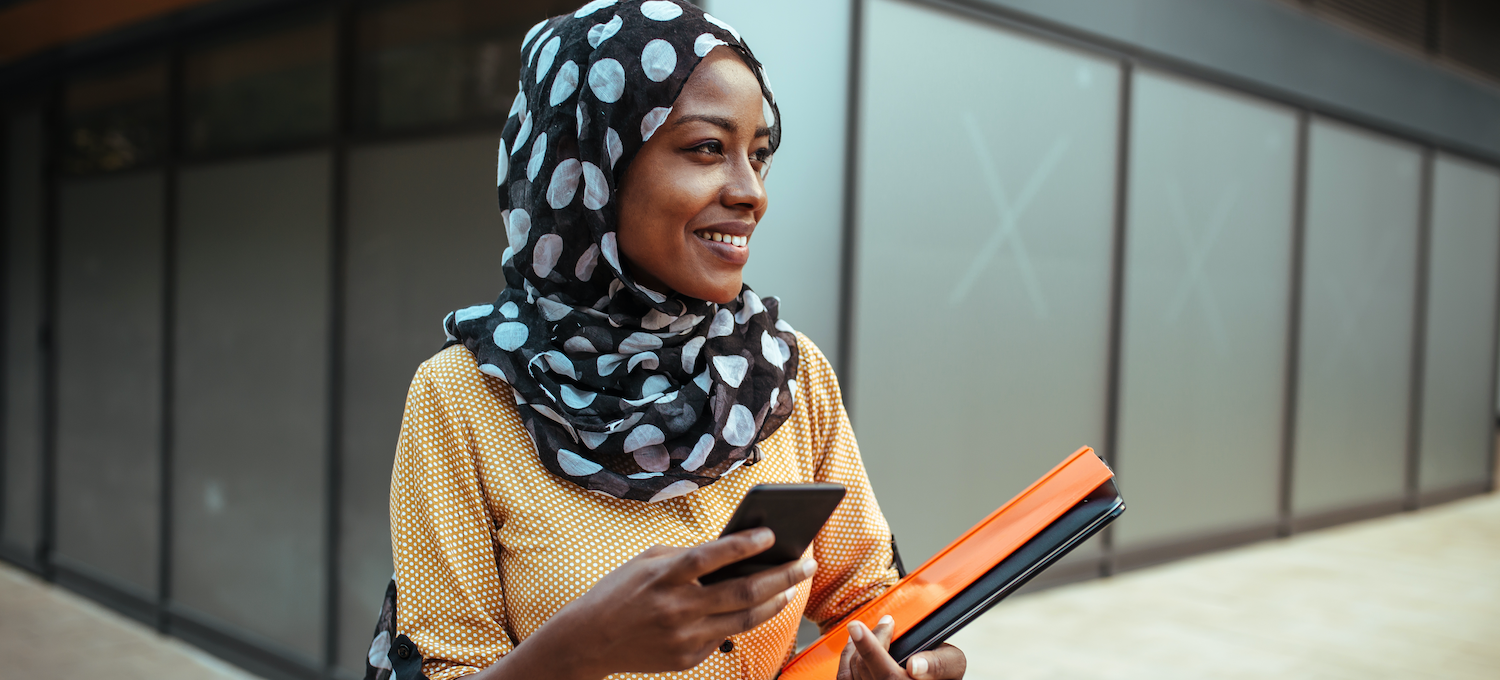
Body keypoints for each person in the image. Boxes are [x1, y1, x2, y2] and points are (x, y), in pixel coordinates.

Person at [368, 2, 967, 678]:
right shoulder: (466, 398)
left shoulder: (782, 372)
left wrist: (910, 652)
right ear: (589, 166)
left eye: (759, 155)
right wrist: (581, 647)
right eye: (707, 148)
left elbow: (868, 600)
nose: (752, 193)